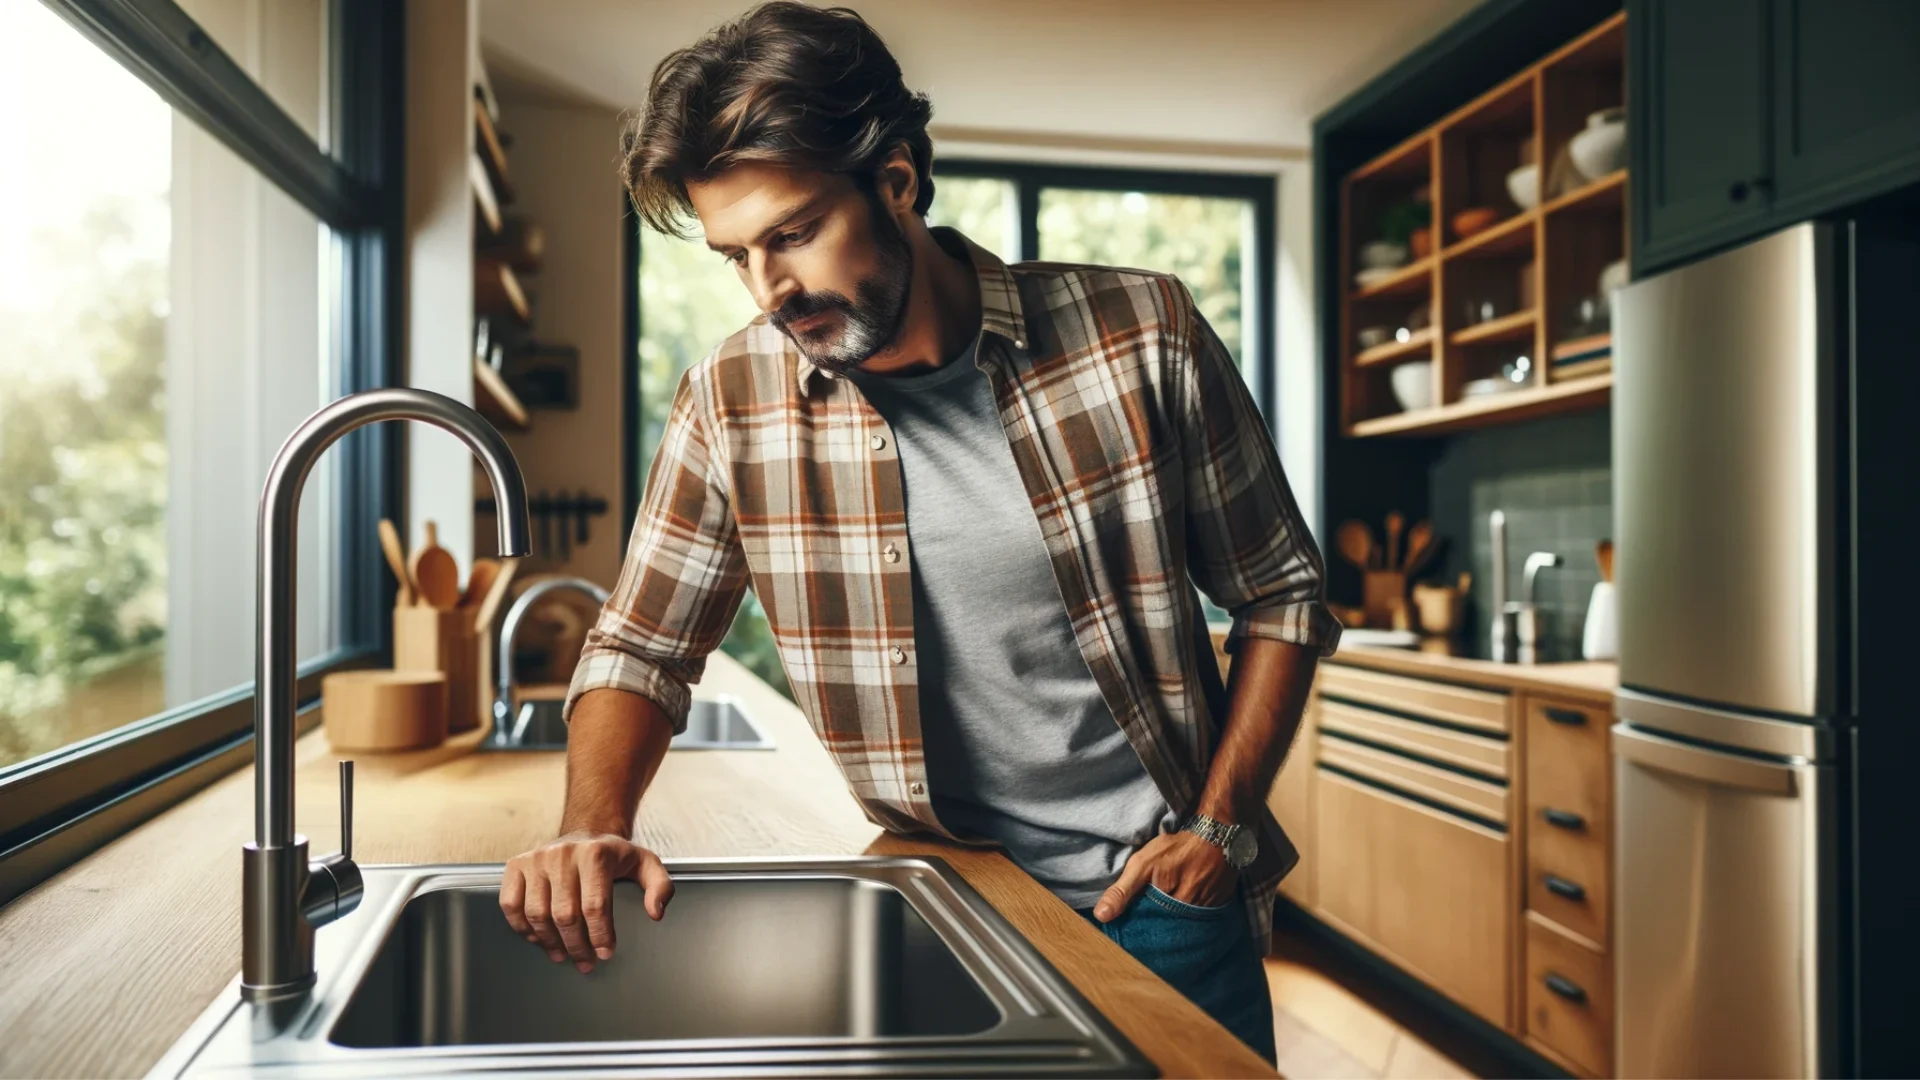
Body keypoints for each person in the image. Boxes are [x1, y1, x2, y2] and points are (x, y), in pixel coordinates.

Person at [496, 2, 1339, 1063]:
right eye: (736, 256)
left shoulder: (1143, 335)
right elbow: (642, 645)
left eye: (794, 234)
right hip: (939, 894)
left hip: (1163, 895)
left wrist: (1218, 829)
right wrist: (591, 823)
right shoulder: (731, 398)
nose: (771, 292)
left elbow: (1282, 594)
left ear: (896, 179)